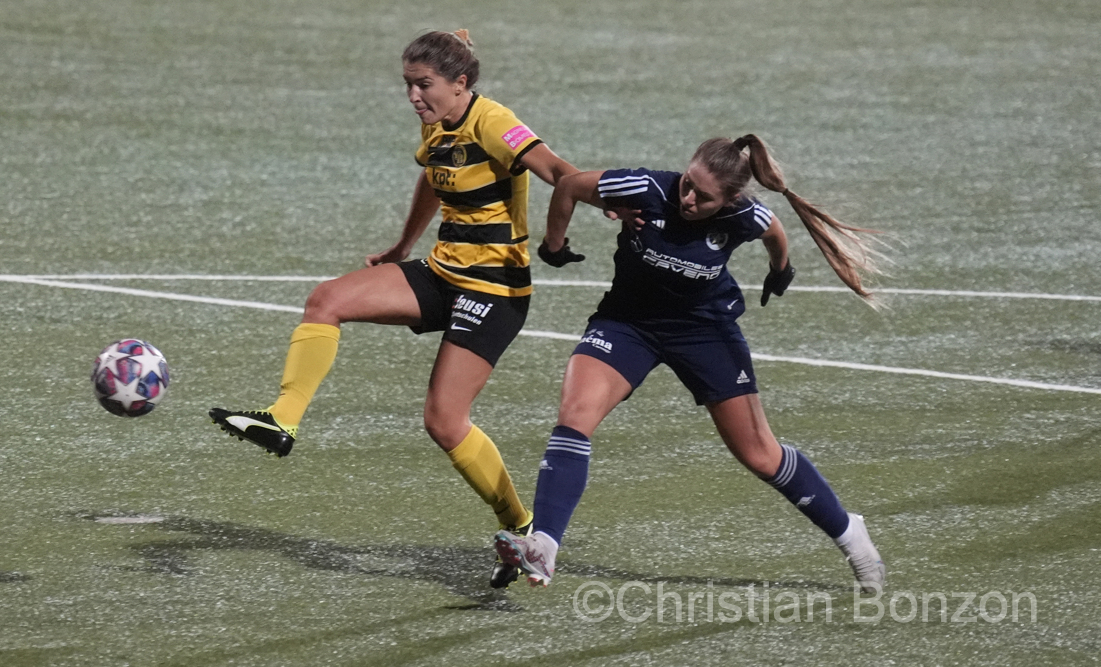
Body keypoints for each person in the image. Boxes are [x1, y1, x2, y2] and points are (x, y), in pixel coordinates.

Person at [209, 30, 578, 589]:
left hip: (495, 290)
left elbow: (560, 173)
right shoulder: (437, 119)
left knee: (443, 421)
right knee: (326, 299)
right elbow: (434, 174)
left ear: (461, 83)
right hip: (442, 272)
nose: (413, 96)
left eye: (423, 85)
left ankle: (521, 529)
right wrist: (404, 246)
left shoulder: (495, 121)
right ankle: (283, 419)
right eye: (407, 85)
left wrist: (609, 205)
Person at [493, 134, 887, 592]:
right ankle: (544, 545)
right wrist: (553, 248)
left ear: (730, 199)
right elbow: (569, 187)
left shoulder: (744, 215)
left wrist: (781, 273)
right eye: (687, 184)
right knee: (575, 415)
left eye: (703, 196)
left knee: (759, 454)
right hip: (628, 323)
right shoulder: (645, 188)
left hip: (704, 331)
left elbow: (775, 232)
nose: (688, 198)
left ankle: (849, 534)